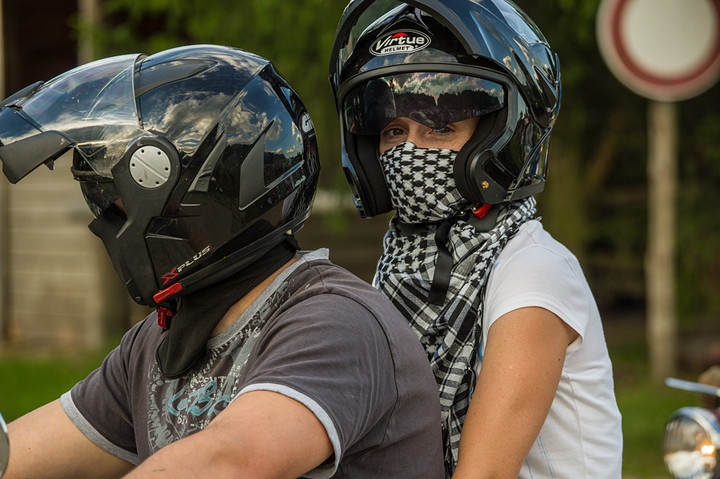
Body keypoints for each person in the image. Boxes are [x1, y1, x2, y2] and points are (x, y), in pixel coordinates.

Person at [0, 44, 444, 478]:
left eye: (112, 199)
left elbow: (230, 460)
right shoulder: (157, 345)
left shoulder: (334, 322)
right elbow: (19, 455)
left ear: (183, 192)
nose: (104, 219)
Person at [329, 1, 623, 477]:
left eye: (440, 128)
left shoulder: (534, 273)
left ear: (498, 134)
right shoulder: (402, 270)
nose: (408, 151)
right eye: (393, 131)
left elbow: (482, 473)